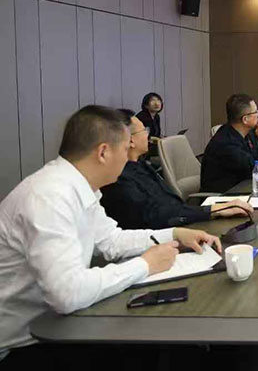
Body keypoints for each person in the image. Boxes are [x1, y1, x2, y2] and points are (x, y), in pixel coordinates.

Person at [0, 105, 220, 363]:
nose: (129, 158)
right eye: (125, 149)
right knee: (160, 346)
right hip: (25, 343)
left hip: (60, 324)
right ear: (103, 152)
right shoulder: (49, 197)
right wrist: (145, 264)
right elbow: (67, 293)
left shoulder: (80, 187)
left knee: (169, 343)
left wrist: (174, 233)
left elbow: (111, 241)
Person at [101, 109, 253, 229]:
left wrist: (213, 210)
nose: (148, 134)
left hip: (179, 225)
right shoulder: (118, 178)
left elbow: (170, 205)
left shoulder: (140, 165)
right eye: (144, 130)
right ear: (131, 140)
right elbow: (156, 215)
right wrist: (213, 210)